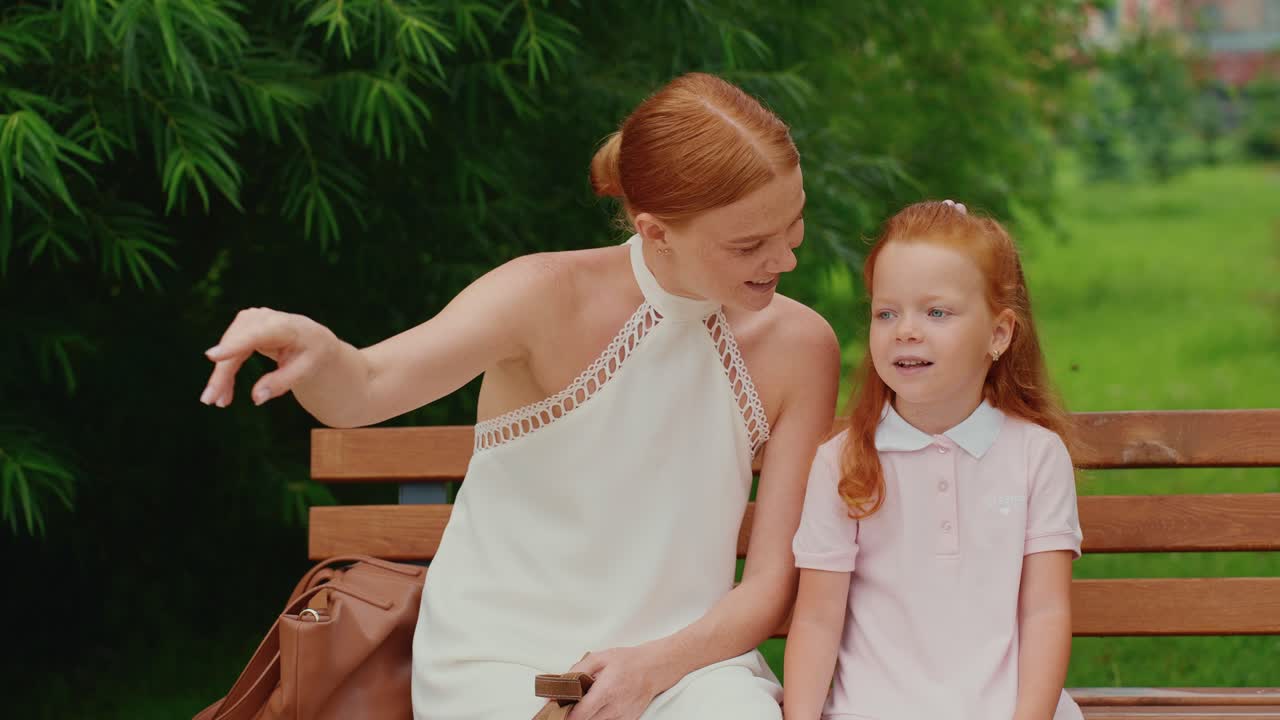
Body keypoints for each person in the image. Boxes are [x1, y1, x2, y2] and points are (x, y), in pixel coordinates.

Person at [199, 72, 840, 720]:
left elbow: (765, 587)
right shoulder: (541, 295)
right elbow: (366, 388)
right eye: (749, 245)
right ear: (657, 231)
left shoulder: (801, 346)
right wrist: (319, 352)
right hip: (502, 656)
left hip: (690, 665)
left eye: (793, 226)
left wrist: (651, 669)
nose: (783, 260)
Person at [783, 200, 1084, 720]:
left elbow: (1045, 612)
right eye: (887, 312)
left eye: (936, 312)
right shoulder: (844, 462)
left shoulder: (1036, 455)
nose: (906, 330)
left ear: (998, 334)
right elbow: (816, 618)